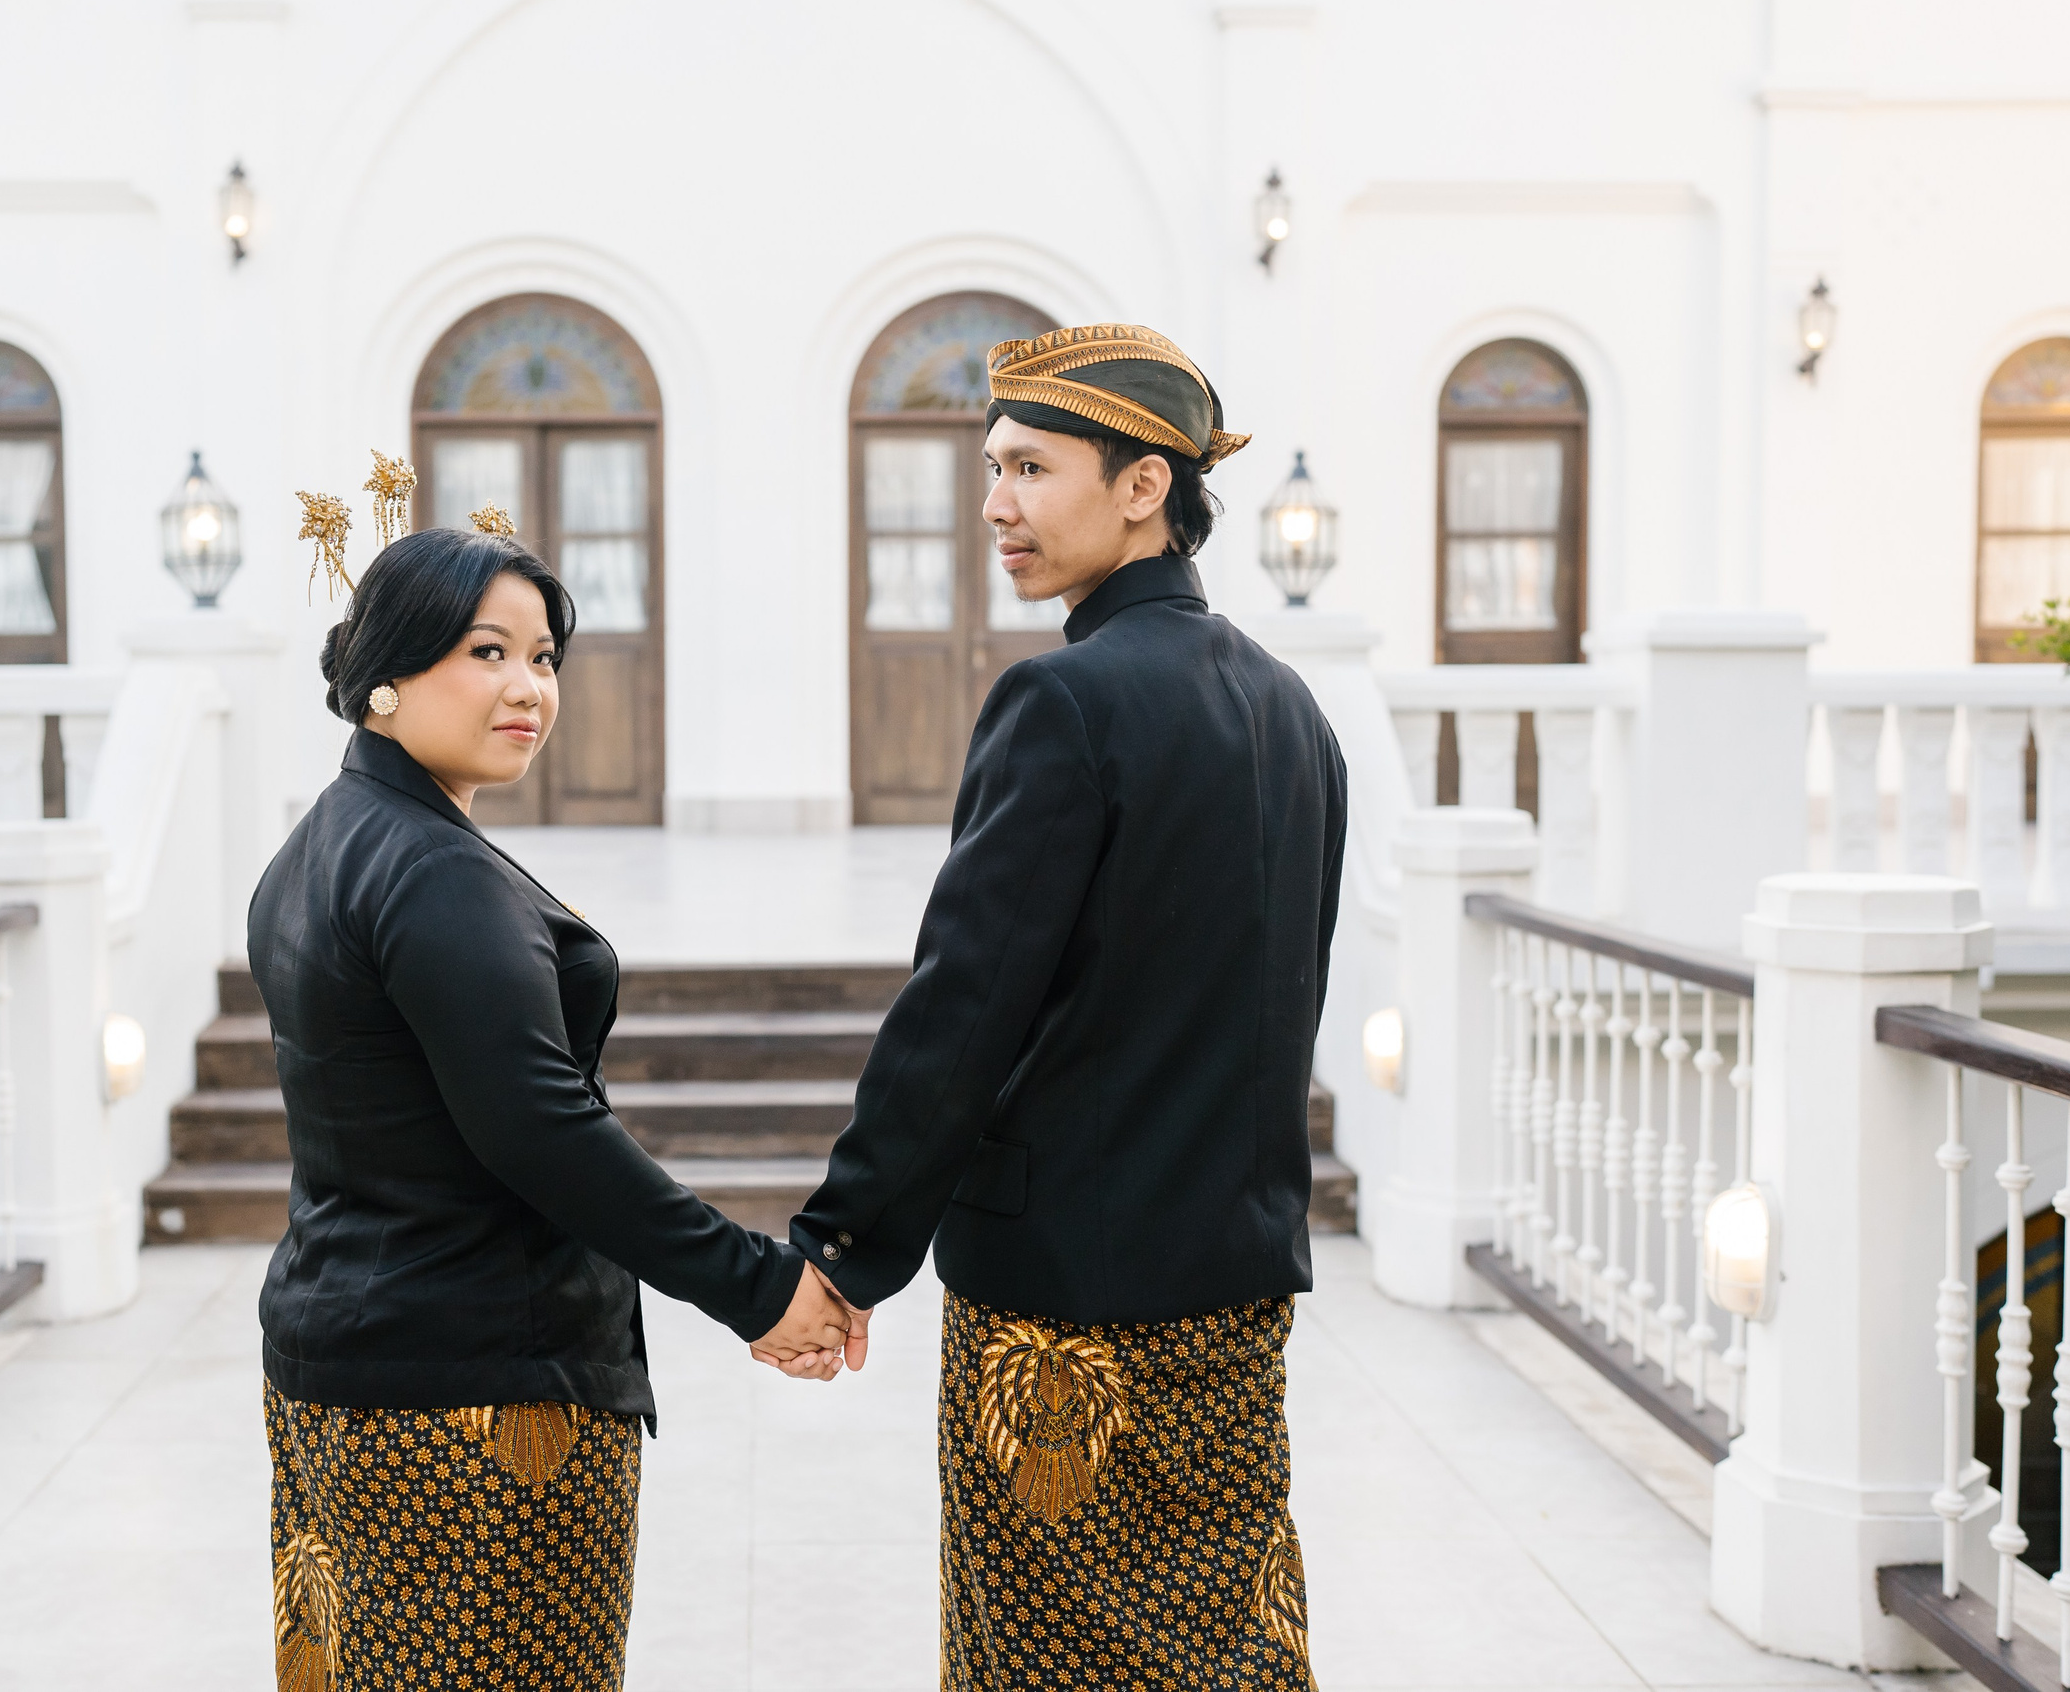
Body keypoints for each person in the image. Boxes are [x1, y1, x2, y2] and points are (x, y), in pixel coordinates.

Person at [787, 324, 1347, 1689]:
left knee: (1041, 1657)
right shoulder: (1296, 714)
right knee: (1231, 1643)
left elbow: (962, 1012)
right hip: (1237, 1281)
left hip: (1062, 1314)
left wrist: (845, 1244)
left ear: (1144, 483)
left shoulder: (1064, 700)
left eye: (1031, 468)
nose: (996, 506)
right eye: (992, 469)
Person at [251, 515, 856, 1692]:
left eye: (543, 657)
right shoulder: (430, 873)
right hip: (473, 1395)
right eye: (487, 652)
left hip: (342, 1359)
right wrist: (756, 1284)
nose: (528, 687)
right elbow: (540, 1128)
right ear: (385, 673)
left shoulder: (325, 844)